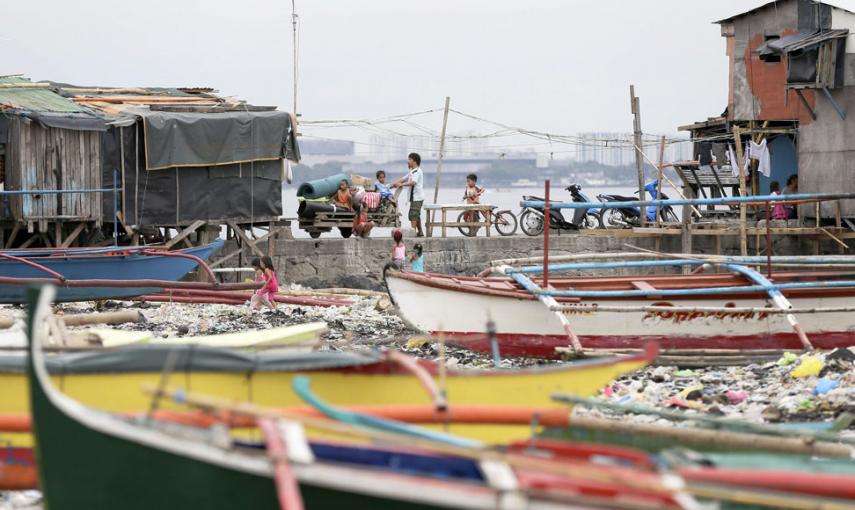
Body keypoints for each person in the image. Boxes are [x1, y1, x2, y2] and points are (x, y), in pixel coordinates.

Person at [392, 153, 424, 237]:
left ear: (415, 161)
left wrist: (401, 185)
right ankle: (420, 232)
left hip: (417, 197)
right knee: (416, 215)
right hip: (414, 197)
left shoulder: (417, 171)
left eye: (410, 160)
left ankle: (412, 233)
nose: (408, 162)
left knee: (413, 215)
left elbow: (413, 182)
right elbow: (403, 178)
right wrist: (392, 184)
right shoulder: (412, 171)